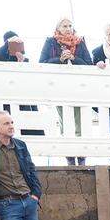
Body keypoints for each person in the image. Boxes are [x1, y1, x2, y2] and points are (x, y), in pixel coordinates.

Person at [40, 18, 91, 165]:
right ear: (58, 28)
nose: (68, 28)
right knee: (65, 122)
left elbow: (89, 63)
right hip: (60, 88)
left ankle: (81, 158)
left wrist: (73, 58)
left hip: (79, 88)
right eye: (65, 26)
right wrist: (60, 59)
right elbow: (43, 62)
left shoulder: (80, 42)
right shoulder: (51, 42)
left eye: (70, 26)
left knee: (80, 122)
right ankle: (69, 157)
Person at [0, 31, 41, 135]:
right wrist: (8, 43)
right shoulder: (0, 56)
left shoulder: (25, 59)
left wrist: (21, 62)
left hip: (23, 94)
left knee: (28, 124)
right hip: (5, 93)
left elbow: (29, 78)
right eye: (11, 42)